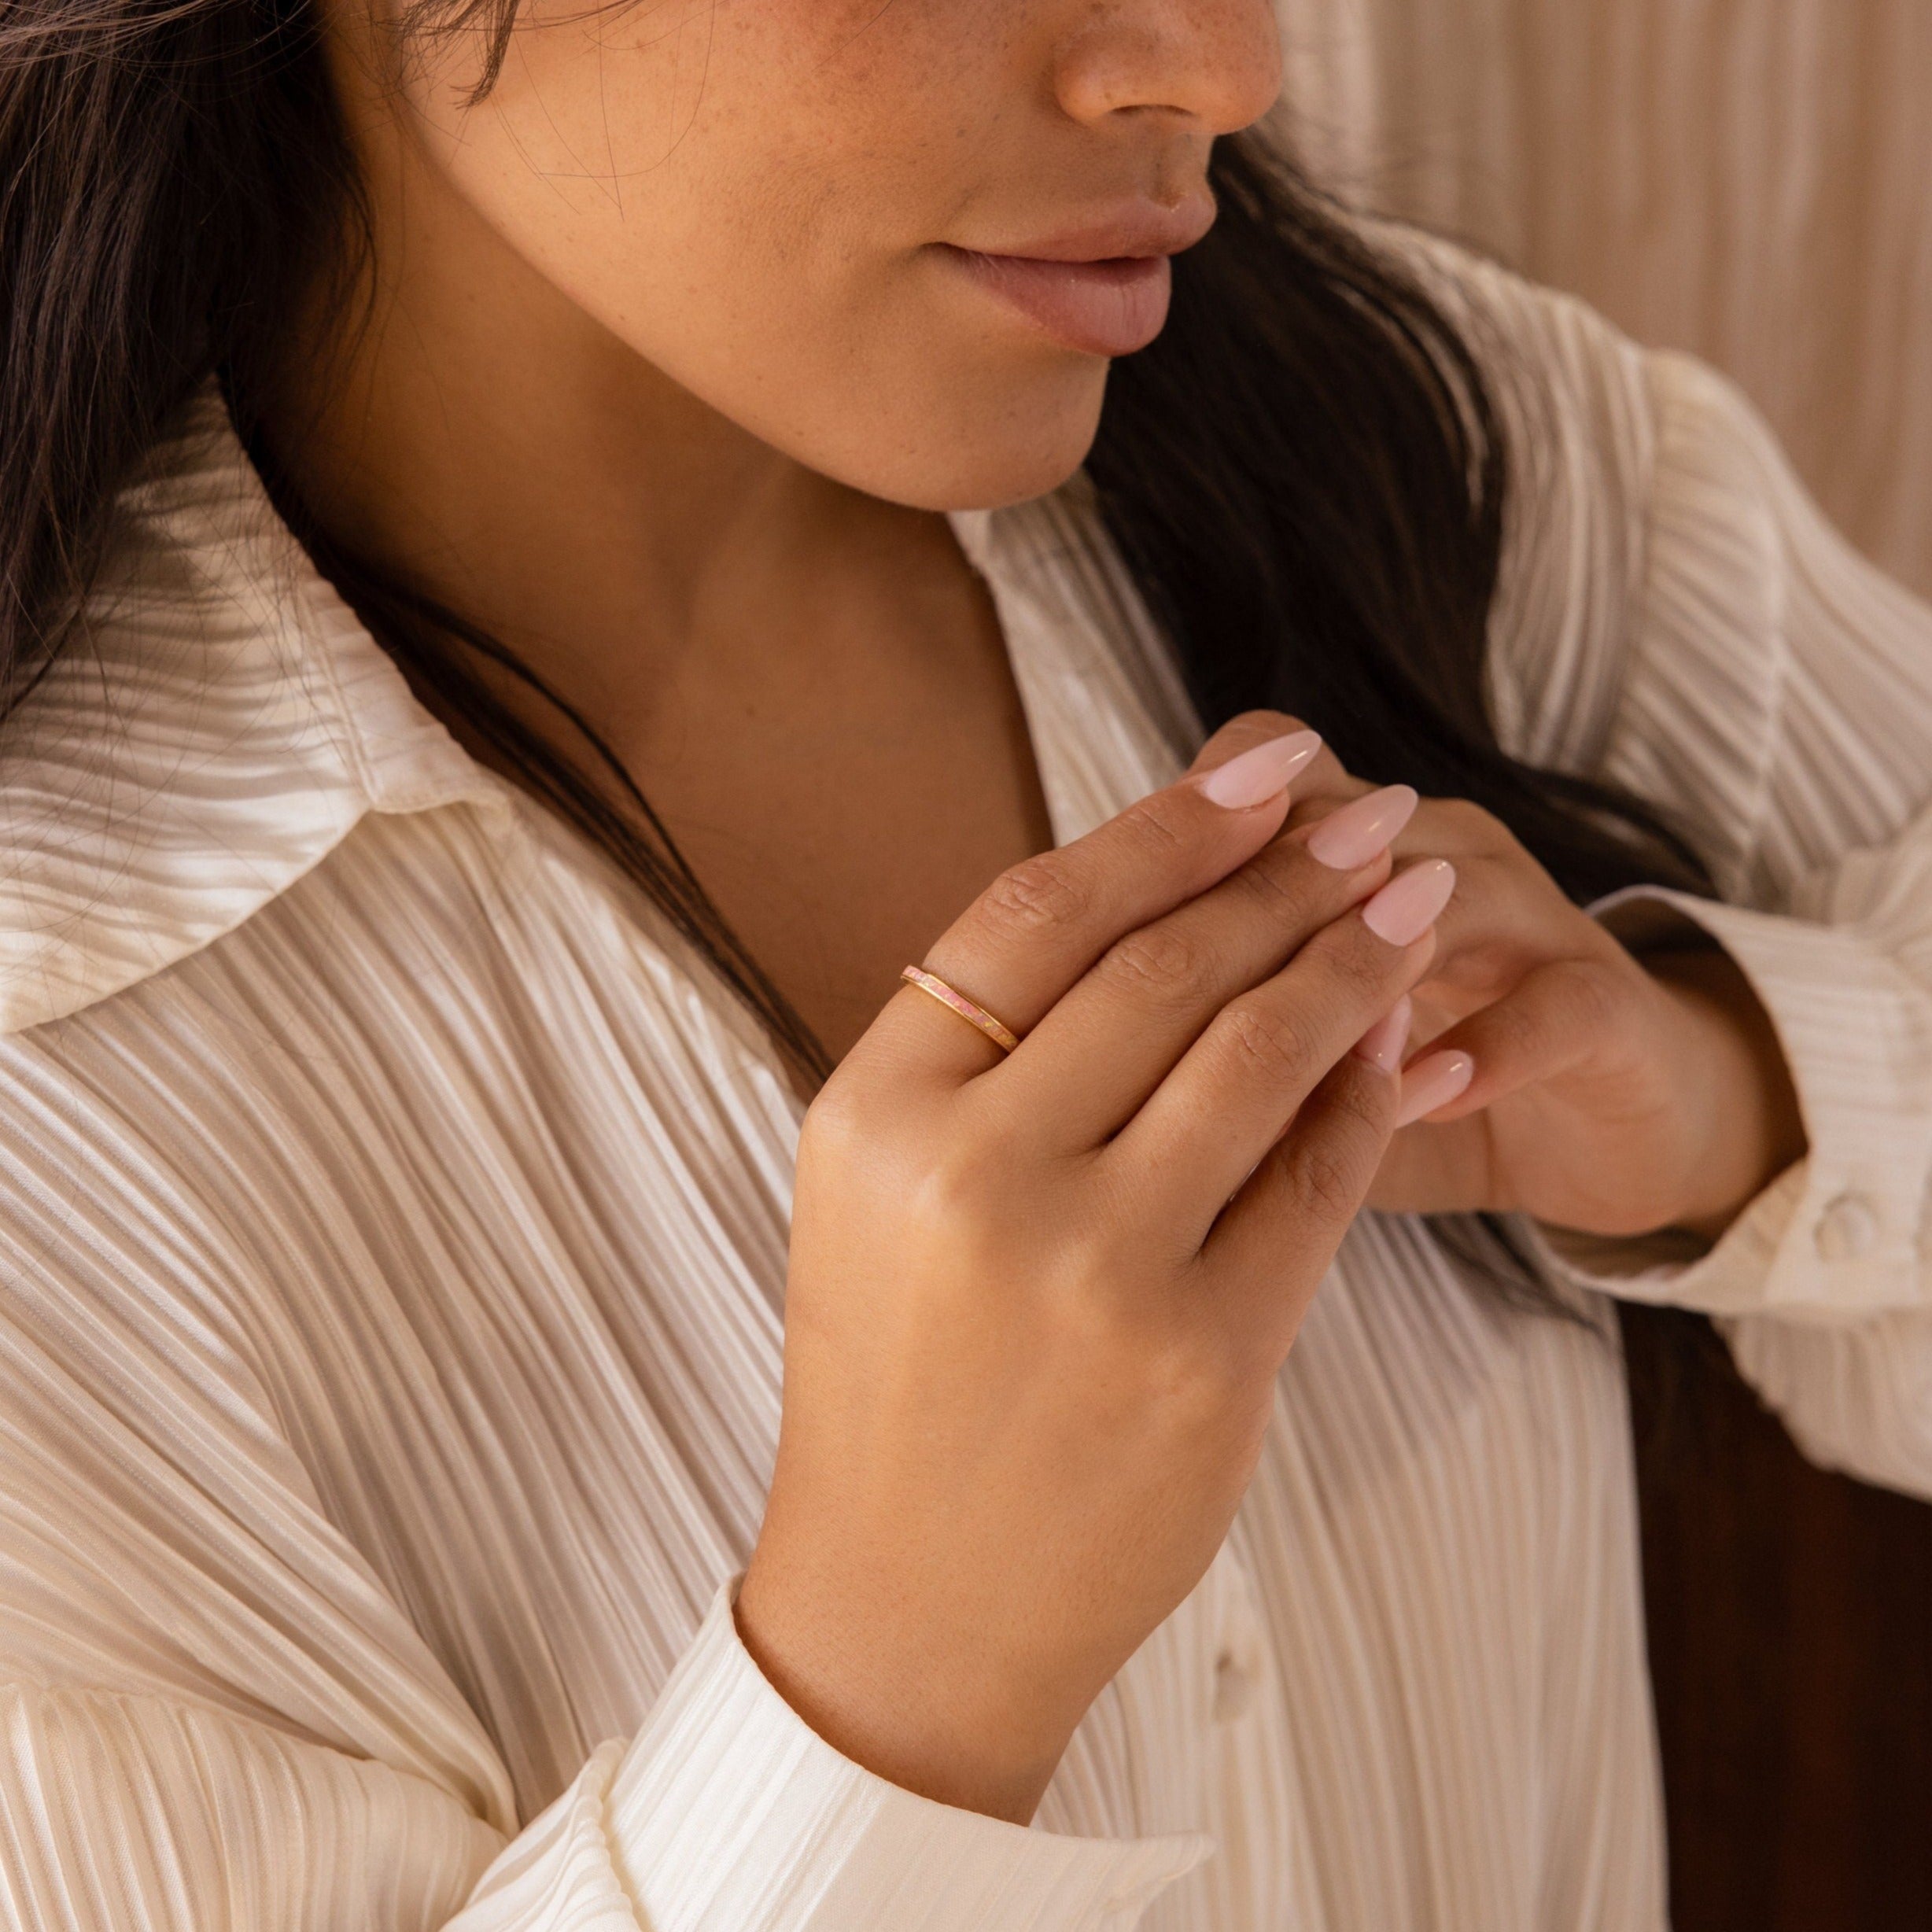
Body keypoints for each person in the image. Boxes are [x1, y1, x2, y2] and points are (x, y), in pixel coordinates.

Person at [1, 0, 1929, 1922]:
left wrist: (1737, 1097)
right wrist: (897, 1687)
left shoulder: (1441, 465)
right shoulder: (54, 1097)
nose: (1221, 71)